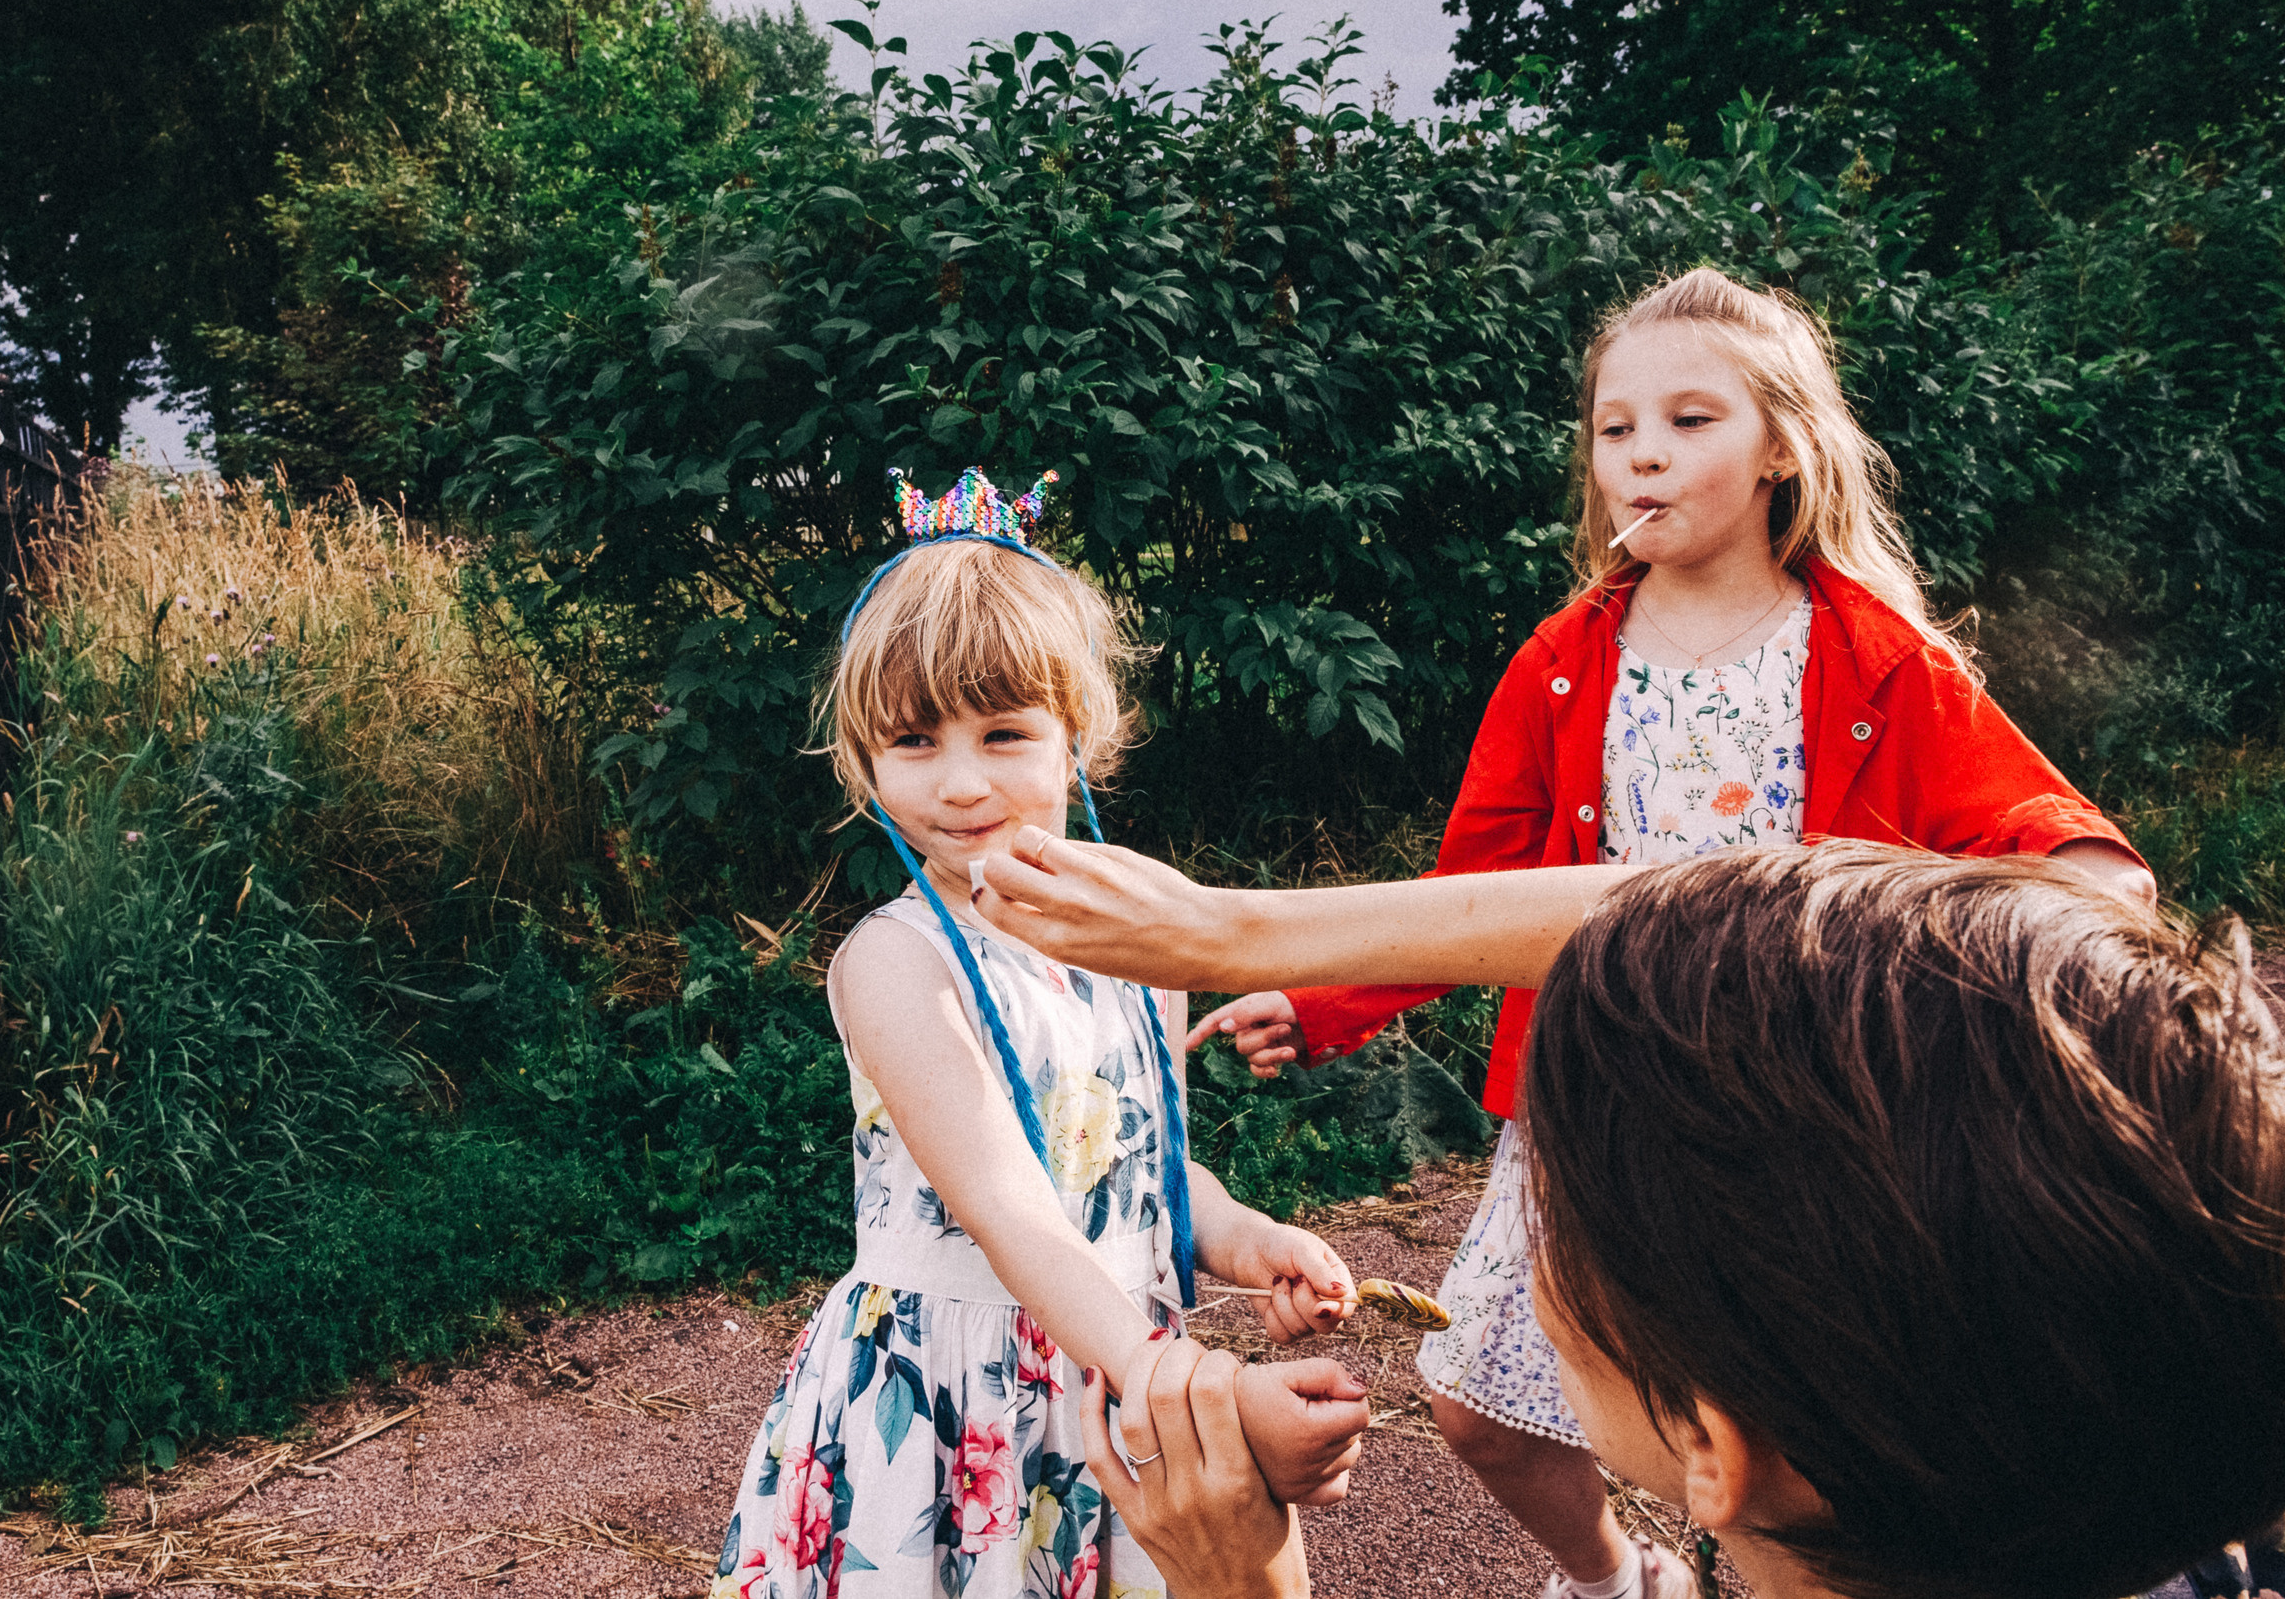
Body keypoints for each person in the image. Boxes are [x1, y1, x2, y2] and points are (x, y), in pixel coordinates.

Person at [1187, 266, 2155, 1599]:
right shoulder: (1563, 660)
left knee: (1801, 1444)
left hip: (1801, 1108)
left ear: (1783, 449)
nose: (1643, 449)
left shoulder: (1879, 654)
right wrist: (1329, 995)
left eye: (1691, 419)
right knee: (1476, 1406)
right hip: (1590, 1094)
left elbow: (2032, 822)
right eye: (1614, 424)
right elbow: (1477, 879)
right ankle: (1617, 1577)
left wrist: (2084, 873)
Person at [962, 828, 2285, 1599]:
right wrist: (1228, 931)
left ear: (1715, 1442)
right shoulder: (2185, 1452)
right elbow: (1756, 933)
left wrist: (1243, 1581)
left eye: (1560, 1207)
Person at [709, 471, 1373, 1599]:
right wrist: (1177, 1379)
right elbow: (1013, 1210)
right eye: (913, 740)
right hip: (951, 1398)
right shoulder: (894, 961)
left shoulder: (1136, 934)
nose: (961, 783)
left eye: (1003, 731)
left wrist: (1244, 1235)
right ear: (863, 758)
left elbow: (1133, 1167)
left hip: (1119, 1379)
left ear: (1079, 735)